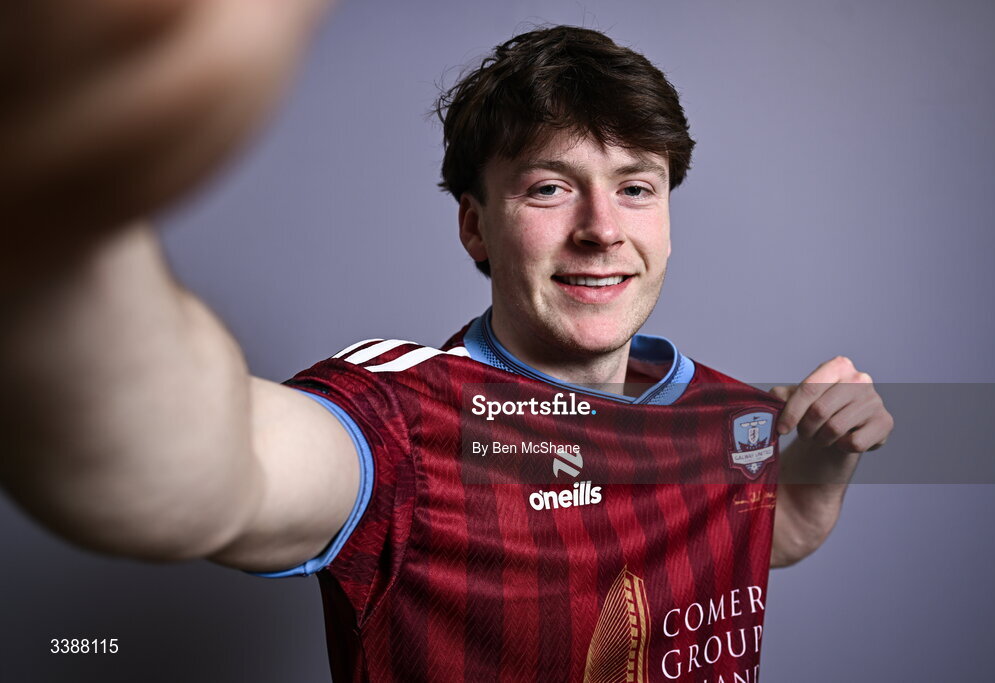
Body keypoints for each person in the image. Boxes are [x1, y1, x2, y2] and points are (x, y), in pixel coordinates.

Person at [0, 3, 893, 681]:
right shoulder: (404, 428)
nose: (601, 229)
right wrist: (65, 218)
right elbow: (195, 478)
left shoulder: (731, 414)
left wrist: (806, 499)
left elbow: (717, 546)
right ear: (475, 228)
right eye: (549, 188)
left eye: (635, 187)